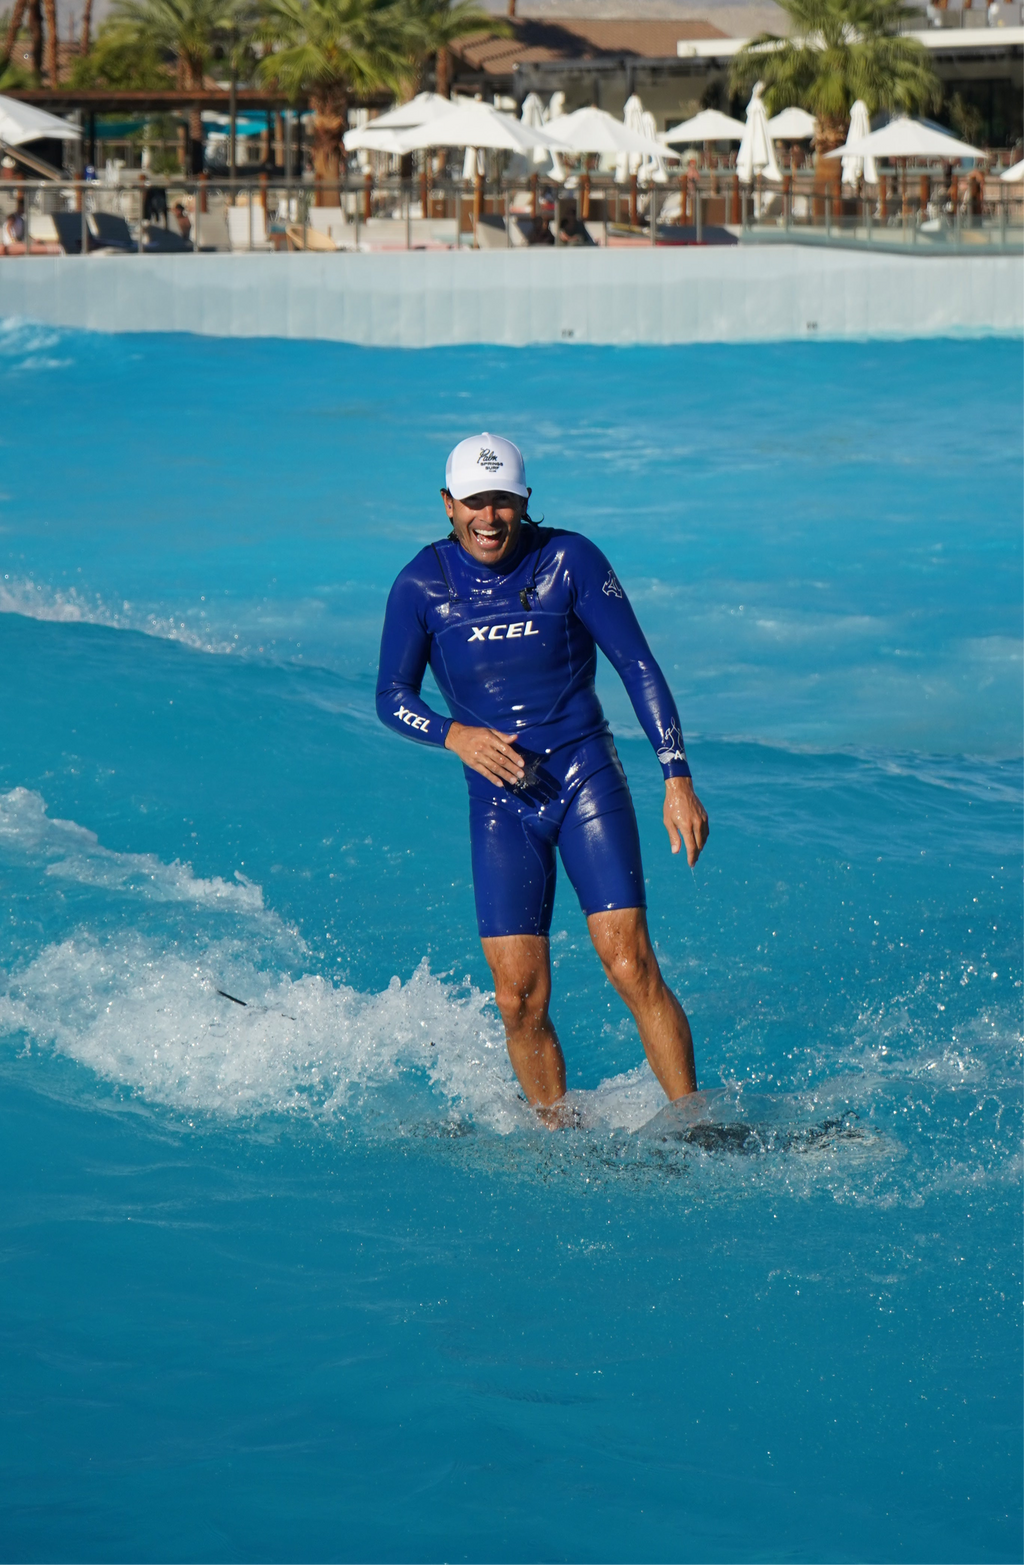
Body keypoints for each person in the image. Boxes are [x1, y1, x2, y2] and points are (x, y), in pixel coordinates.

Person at [376, 434, 709, 1124]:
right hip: (500, 805)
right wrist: (453, 734)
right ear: (447, 504)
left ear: (524, 502)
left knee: (628, 962)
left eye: (502, 501)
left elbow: (638, 665)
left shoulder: (570, 560)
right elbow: (390, 695)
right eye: (474, 502)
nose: (489, 518)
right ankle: (560, 1135)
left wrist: (675, 775)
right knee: (517, 996)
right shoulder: (420, 584)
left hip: (585, 779)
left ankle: (695, 1125)